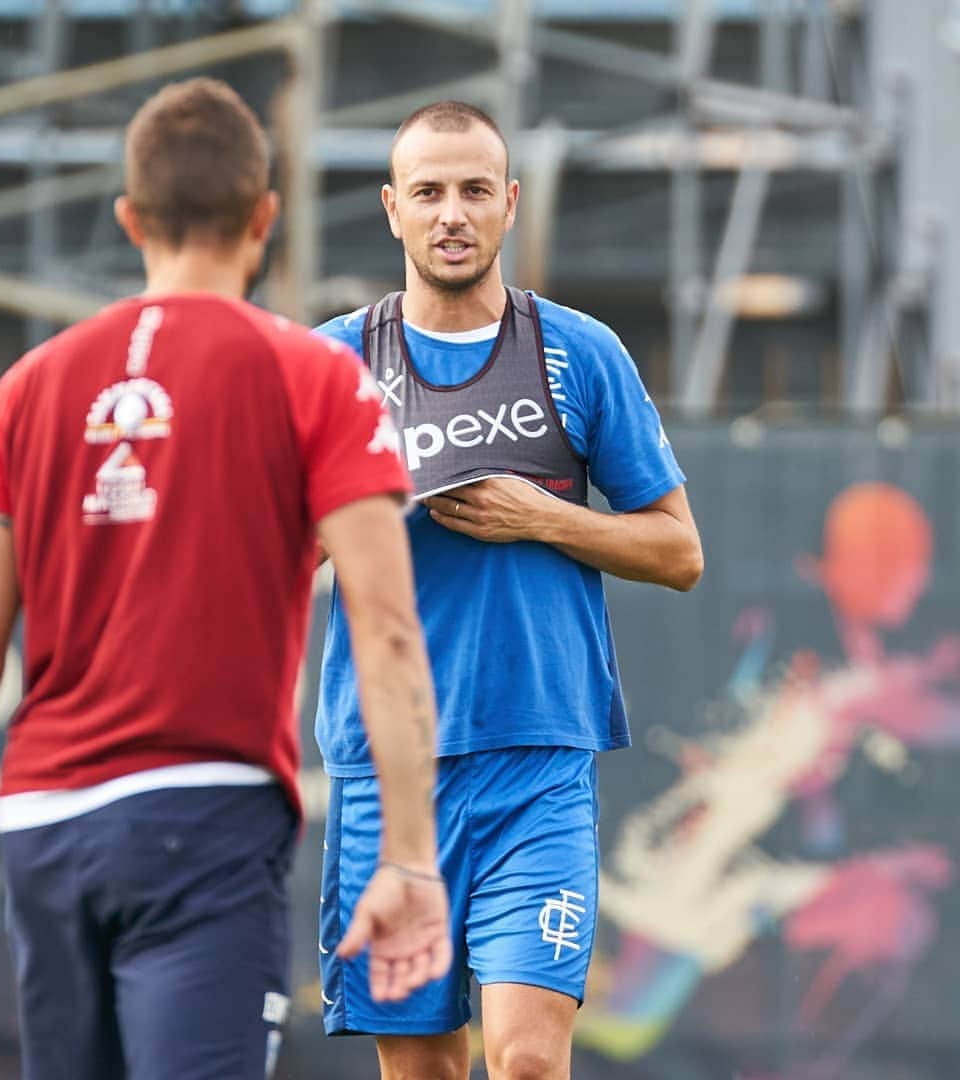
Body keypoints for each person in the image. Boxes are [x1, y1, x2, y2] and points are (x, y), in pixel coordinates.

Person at [0, 78, 451, 1080]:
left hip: (44, 823)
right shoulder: (315, 377)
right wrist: (410, 857)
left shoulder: (32, 386)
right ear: (264, 219)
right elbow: (390, 631)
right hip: (206, 812)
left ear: (130, 219)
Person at [313, 101, 704, 1080]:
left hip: (539, 766)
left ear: (510, 205)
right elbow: (269, 551)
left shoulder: (580, 352)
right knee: (425, 1069)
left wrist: (543, 517)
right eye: (431, 191)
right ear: (392, 208)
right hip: (384, 773)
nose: (453, 212)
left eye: (475, 190)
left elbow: (679, 552)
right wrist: (356, 513)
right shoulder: (332, 362)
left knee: (528, 1061)